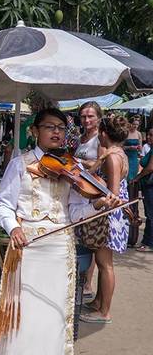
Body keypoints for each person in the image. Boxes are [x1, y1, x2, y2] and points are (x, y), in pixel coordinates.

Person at [0, 108, 117, 355]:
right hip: (27, 243)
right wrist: (13, 227)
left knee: (53, 310)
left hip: (59, 245)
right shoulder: (20, 164)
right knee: (17, 303)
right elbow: (2, 204)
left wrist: (96, 206)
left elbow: (76, 210)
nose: (57, 132)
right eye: (50, 127)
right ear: (35, 131)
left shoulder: (72, 168)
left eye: (61, 128)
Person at [80, 115, 130, 324]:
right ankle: (99, 302)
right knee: (103, 263)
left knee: (105, 263)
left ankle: (104, 311)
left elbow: (114, 193)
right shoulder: (118, 152)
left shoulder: (112, 156)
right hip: (113, 215)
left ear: (103, 134)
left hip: (109, 215)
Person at [73, 101, 105, 299]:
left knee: (90, 238)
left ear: (99, 117)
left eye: (90, 116)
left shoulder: (100, 139)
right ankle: (80, 279)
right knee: (81, 235)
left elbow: (101, 163)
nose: (86, 120)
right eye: (83, 116)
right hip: (80, 190)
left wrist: (80, 162)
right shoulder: (81, 137)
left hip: (94, 191)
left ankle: (87, 283)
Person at [132, 127, 153, 252]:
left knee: (150, 215)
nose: (148, 137)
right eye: (148, 135)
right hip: (148, 186)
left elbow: (150, 167)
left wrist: (137, 177)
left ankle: (148, 242)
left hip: (150, 186)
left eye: (151, 135)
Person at [123, 116, 143, 246]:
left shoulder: (139, 134)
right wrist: (129, 148)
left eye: (137, 125)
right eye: (134, 124)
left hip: (135, 162)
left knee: (134, 198)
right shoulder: (125, 133)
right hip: (126, 161)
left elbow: (140, 149)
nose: (135, 127)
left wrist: (137, 148)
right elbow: (121, 147)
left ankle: (133, 237)